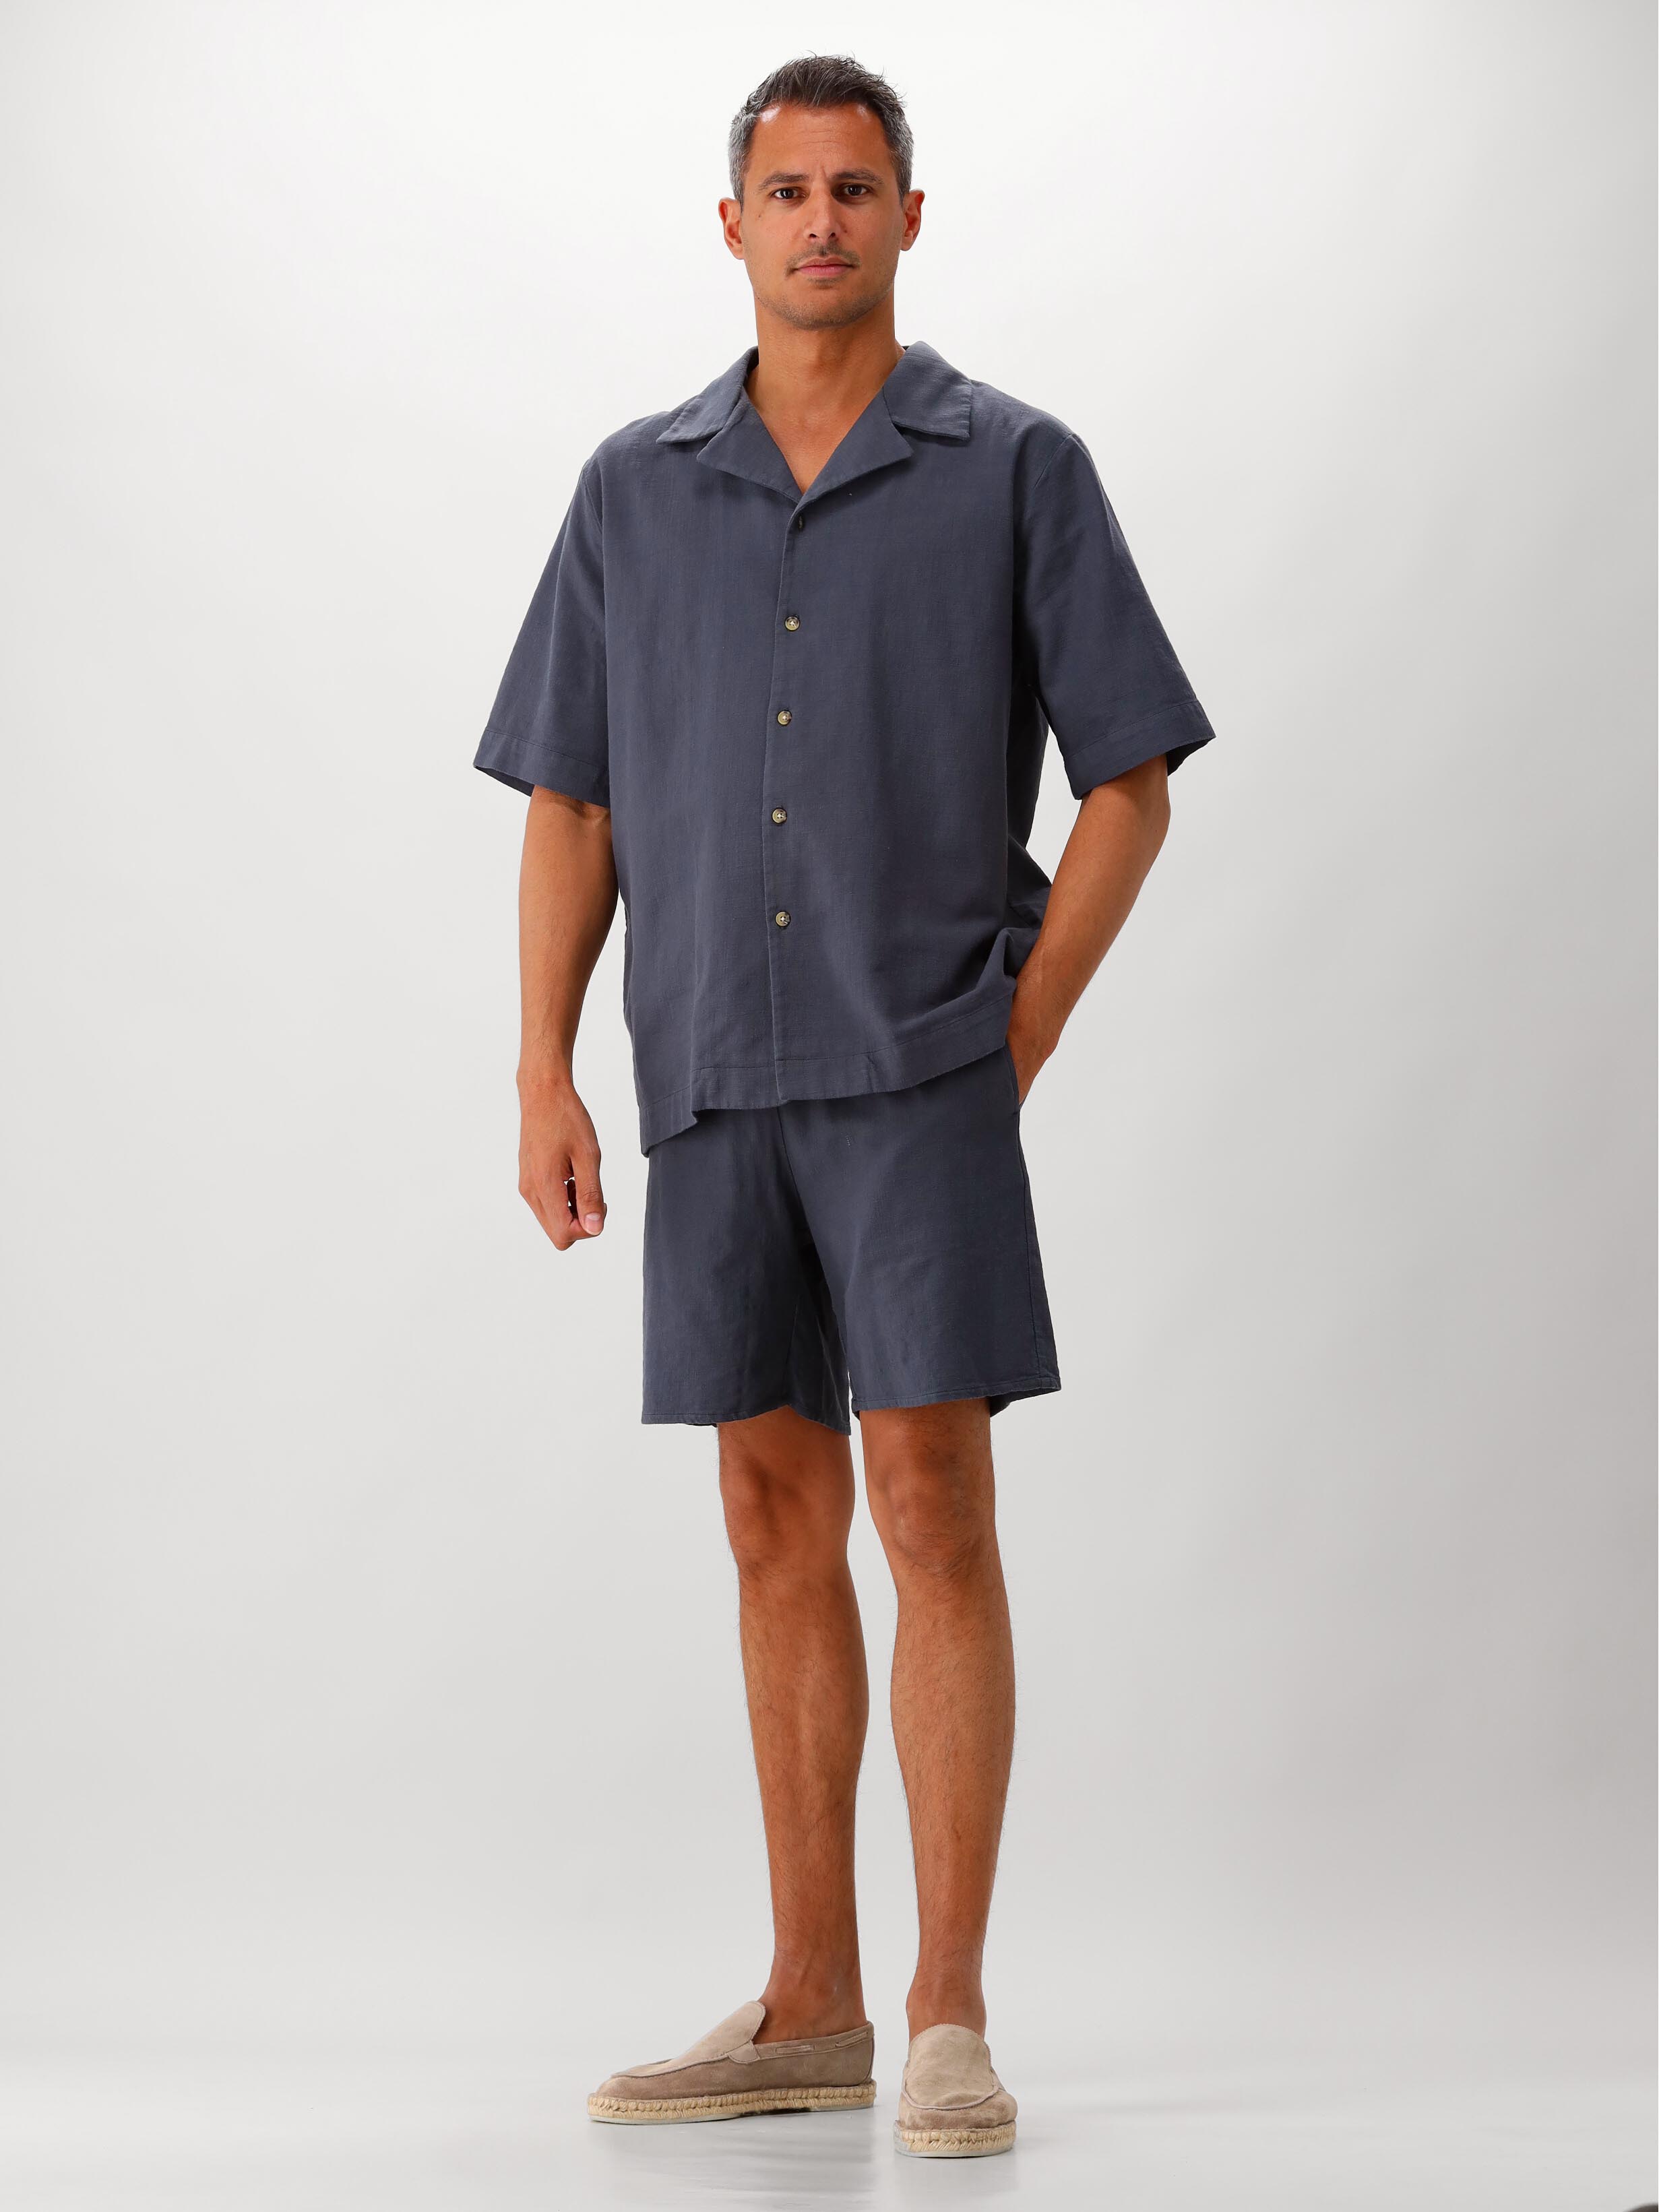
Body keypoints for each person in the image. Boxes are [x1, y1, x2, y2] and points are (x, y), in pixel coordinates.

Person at [473, 53, 1216, 2161]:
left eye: (855, 187)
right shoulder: (633, 489)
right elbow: (572, 800)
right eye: (787, 190)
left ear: (908, 215)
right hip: (709, 1066)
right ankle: (807, 2003)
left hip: (920, 1071)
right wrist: (542, 1064)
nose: (821, 220)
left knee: (933, 1504)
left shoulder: (1019, 467)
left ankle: (947, 2011)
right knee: (767, 1514)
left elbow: (1133, 781)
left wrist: (1022, 1028)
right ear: (733, 226)